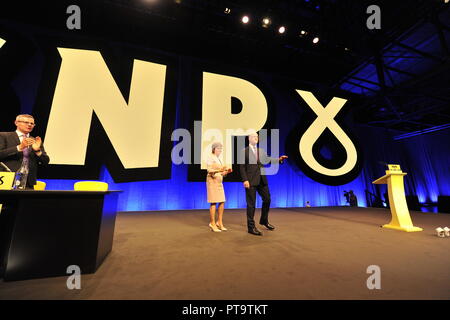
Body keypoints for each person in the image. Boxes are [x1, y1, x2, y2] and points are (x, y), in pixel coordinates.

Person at [239, 131, 288, 236]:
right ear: (249, 138)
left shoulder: (260, 151)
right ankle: (251, 227)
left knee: (267, 199)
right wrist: (245, 180)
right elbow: (242, 167)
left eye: (257, 137)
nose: (256, 138)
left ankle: (264, 220)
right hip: (250, 181)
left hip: (262, 179)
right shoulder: (244, 151)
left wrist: (279, 160)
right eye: (254, 136)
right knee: (251, 204)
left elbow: (267, 159)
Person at [0, 114, 50, 188]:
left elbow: (45, 161)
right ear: (16, 123)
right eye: (26, 122)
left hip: (28, 181)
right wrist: (19, 147)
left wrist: (37, 151)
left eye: (32, 123)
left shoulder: (35, 140)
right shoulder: (4, 136)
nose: (29, 125)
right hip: (7, 178)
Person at [206, 142, 232, 232]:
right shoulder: (210, 157)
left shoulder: (219, 158)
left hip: (219, 182)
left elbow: (220, 172)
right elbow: (209, 170)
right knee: (213, 202)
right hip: (212, 181)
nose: (220, 150)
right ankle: (212, 223)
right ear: (214, 149)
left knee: (222, 201)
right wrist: (220, 170)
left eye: (221, 149)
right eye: (218, 148)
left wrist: (226, 172)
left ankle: (219, 222)